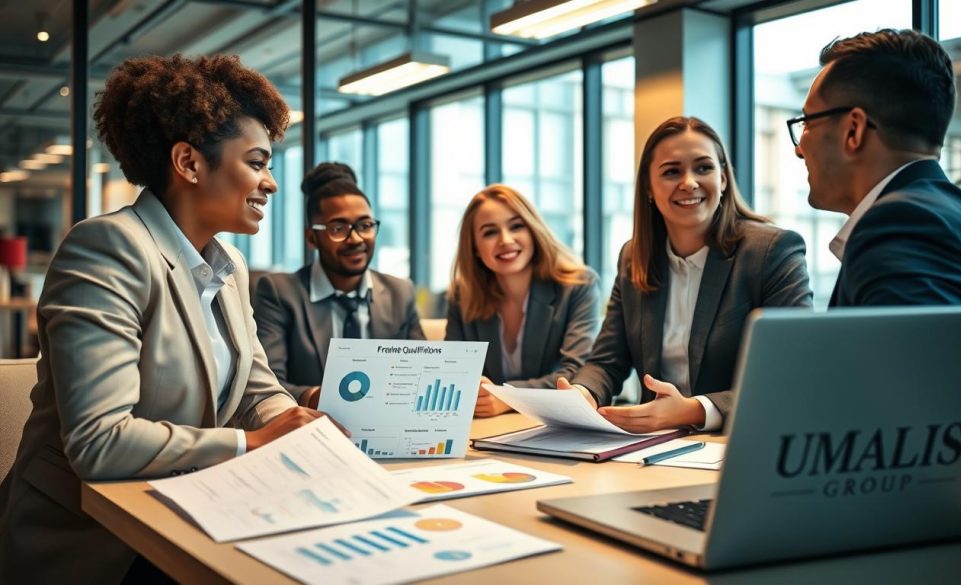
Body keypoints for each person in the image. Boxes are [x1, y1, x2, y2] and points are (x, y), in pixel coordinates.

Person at [0, 55, 332, 583]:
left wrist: (302, 424)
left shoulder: (230, 267)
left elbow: (254, 391)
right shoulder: (107, 247)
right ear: (189, 162)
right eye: (257, 162)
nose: (270, 183)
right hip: (94, 542)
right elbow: (100, 441)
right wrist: (254, 443)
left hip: (184, 511)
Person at [559, 116, 813, 433]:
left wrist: (694, 410)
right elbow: (607, 361)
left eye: (703, 168)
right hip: (654, 448)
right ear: (649, 188)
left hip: (742, 441)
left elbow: (792, 376)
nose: (689, 182)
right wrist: (583, 393)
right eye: (671, 171)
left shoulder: (771, 251)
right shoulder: (633, 257)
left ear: (723, 178)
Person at [791, 28, 961, 305]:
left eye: (807, 123)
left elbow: (903, 350)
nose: (798, 149)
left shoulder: (900, 224)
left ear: (854, 130)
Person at [254, 162, 424, 408]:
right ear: (312, 237)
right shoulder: (279, 292)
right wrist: (316, 397)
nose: (355, 239)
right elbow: (266, 385)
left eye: (365, 226)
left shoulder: (400, 292)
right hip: (312, 430)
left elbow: (422, 374)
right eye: (338, 228)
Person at [445, 184, 601, 417]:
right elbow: (451, 372)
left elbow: (576, 373)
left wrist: (506, 397)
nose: (505, 240)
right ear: (475, 248)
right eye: (489, 232)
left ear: (533, 231)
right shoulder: (462, 296)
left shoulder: (578, 286)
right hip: (485, 430)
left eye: (516, 226)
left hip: (553, 424)